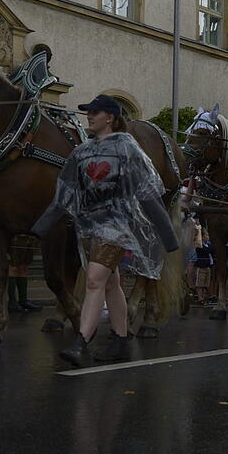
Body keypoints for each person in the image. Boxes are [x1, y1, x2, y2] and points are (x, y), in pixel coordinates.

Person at [29, 94, 178, 366]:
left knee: (95, 280)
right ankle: (121, 339)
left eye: (95, 112)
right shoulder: (81, 152)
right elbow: (64, 194)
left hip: (117, 226)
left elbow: (147, 193)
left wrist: (167, 235)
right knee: (111, 284)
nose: (89, 116)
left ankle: (81, 342)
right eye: (88, 112)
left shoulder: (127, 148)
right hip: (89, 229)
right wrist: (40, 228)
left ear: (110, 117)